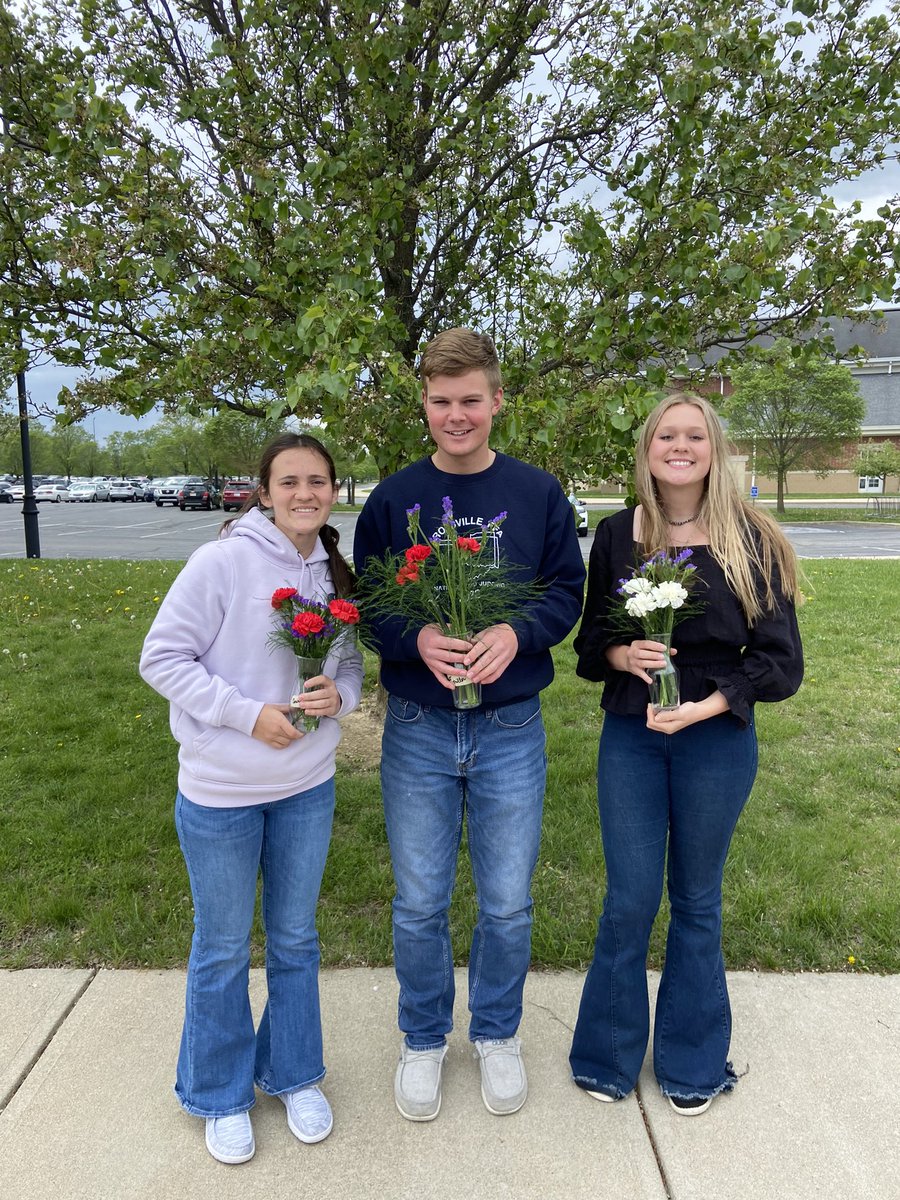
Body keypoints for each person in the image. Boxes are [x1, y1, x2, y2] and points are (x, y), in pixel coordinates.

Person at [353, 328, 585, 1121]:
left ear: (497, 401)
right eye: (441, 401)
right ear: (424, 404)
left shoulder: (538, 493)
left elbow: (565, 592)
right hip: (419, 724)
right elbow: (369, 604)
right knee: (419, 901)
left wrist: (518, 633)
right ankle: (423, 1038)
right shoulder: (393, 501)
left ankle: (496, 1032)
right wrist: (413, 637)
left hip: (510, 726)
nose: (457, 415)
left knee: (507, 902)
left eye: (471, 400)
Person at [569, 392, 803, 1115]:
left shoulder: (752, 538)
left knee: (696, 899)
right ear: (647, 448)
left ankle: (692, 1061)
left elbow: (781, 663)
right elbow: (588, 648)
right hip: (632, 736)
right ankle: (607, 1055)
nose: (679, 446)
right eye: (666, 435)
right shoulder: (618, 534)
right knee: (629, 898)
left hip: (715, 738)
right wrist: (624, 653)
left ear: (714, 449)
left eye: (694, 435)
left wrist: (705, 705)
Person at [140, 433, 363, 1164]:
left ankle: (294, 1074)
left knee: (295, 941)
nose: (305, 493)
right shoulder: (222, 562)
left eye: (317, 481)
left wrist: (339, 697)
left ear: (333, 490)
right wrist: (244, 715)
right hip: (222, 793)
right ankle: (220, 1092)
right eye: (288, 481)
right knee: (223, 947)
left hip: (306, 789)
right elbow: (161, 657)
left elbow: (350, 667)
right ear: (264, 492)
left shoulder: (331, 571)